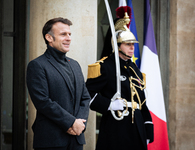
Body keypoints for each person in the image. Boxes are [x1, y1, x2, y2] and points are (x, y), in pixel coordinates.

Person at [86, 8, 154, 150]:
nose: (132, 48)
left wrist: (148, 127)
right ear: (117, 46)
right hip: (115, 126)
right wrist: (109, 105)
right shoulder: (105, 66)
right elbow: (87, 95)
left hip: (137, 127)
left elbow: (142, 101)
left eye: (133, 44)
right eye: (127, 44)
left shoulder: (134, 68)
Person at [26, 17, 91, 150]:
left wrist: (79, 124)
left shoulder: (75, 65)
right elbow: (42, 101)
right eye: (63, 34)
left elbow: (85, 98)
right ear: (49, 38)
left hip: (76, 140)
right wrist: (71, 123)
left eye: (69, 34)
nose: (68, 38)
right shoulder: (37, 65)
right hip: (51, 141)